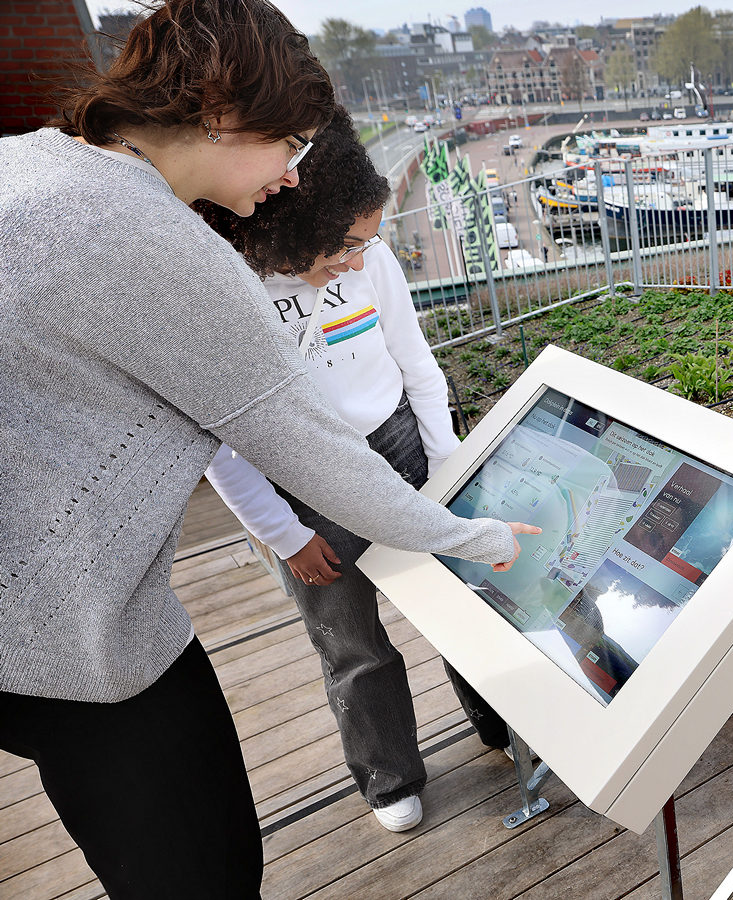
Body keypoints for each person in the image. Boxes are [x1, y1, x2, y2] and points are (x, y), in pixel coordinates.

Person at [0, 2, 536, 897]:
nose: (292, 174)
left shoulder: (25, 161)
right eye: (288, 143)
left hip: (29, 624)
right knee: (200, 867)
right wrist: (482, 539)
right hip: (75, 633)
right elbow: (314, 453)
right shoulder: (154, 241)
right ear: (218, 112)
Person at [200, 107, 511, 833]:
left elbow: (416, 366)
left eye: (369, 242)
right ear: (288, 226)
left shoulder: (371, 260)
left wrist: (446, 463)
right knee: (350, 643)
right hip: (301, 486)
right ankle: (388, 777)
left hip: (398, 446)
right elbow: (219, 439)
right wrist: (280, 533)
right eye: (344, 244)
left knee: (461, 604)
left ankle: (499, 724)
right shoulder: (224, 293)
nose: (360, 261)